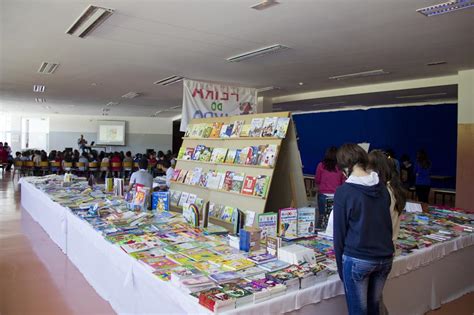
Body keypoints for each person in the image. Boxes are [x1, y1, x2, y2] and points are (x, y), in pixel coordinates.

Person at [334, 144, 393, 315]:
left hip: (358, 258)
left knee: (358, 310)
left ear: (345, 167)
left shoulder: (344, 192)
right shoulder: (382, 188)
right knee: (375, 307)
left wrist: (341, 269)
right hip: (385, 257)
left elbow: (339, 235)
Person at [315, 146, 345, 219]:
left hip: (323, 196)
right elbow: (344, 183)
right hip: (336, 196)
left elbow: (317, 180)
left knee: (323, 217)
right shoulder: (341, 167)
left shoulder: (321, 165)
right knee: (335, 218)